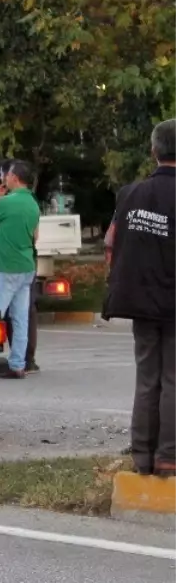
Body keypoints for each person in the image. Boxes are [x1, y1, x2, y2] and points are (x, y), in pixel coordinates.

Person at [103, 119, 176, 477]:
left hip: (140, 302)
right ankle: (169, 457)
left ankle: (142, 456)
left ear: (154, 151)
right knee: (174, 378)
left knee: (148, 377)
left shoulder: (129, 194)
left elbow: (110, 242)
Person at [0, 159, 41, 378]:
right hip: (26, 266)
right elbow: (35, 236)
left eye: (7, 175)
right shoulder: (33, 202)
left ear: (15, 178)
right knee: (20, 318)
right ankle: (17, 364)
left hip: (6, 266)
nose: (5, 178)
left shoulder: (6, 202)